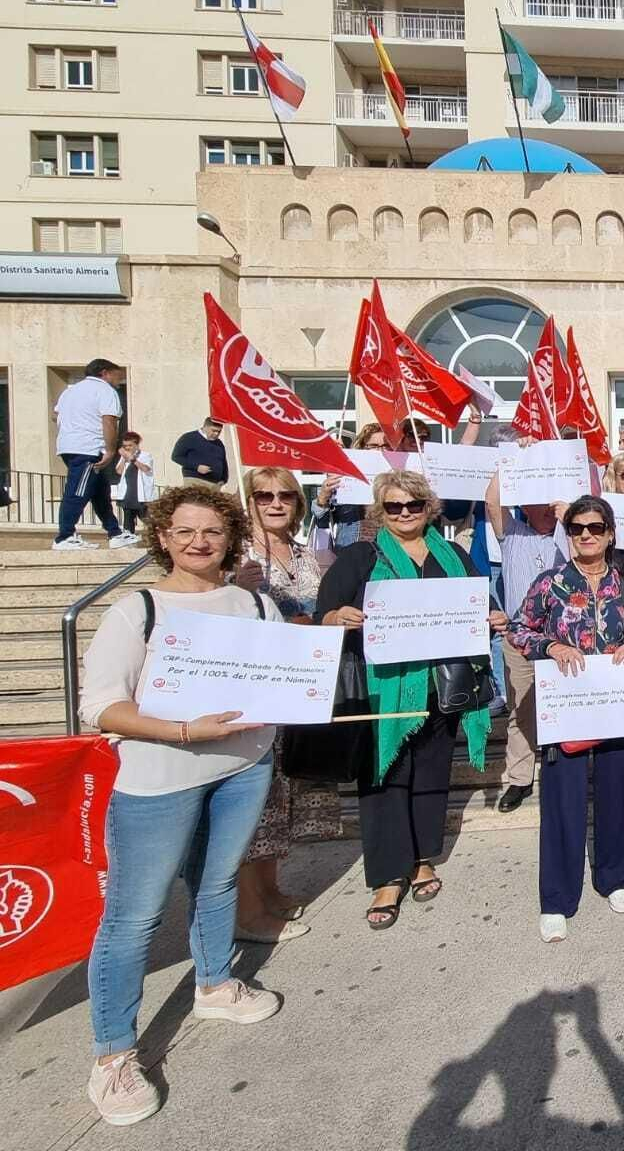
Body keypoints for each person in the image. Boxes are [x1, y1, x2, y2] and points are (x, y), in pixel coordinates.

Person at [79, 483, 283, 1126]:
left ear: (231, 539)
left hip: (243, 768)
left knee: (218, 883)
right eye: (186, 531)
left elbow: (284, 677)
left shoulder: (257, 604)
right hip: (159, 777)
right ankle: (114, 1054)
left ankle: (215, 983)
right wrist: (184, 731)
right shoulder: (135, 610)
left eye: (213, 531)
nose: (200, 542)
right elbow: (100, 707)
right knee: (134, 916)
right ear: (163, 537)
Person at [314, 470, 504, 930]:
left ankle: (422, 859)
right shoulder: (361, 557)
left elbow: (478, 604)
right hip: (386, 692)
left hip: (443, 687)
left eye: (413, 505)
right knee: (385, 778)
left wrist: (492, 617)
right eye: (393, 506)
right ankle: (386, 877)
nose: (404, 513)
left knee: (432, 774)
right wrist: (338, 617)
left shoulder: (454, 555)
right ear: (380, 511)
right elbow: (324, 612)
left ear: (428, 508)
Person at [509, 496, 624, 944]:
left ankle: (616, 877)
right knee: (562, 804)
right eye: (576, 528)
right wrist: (550, 646)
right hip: (566, 708)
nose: (585, 535)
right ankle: (557, 899)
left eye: (595, 527)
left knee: (617, 794)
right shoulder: (550, 584)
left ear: (610, 534)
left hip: (613, 706)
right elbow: (518, 629)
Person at [228, 467, 340, 942]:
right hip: (253, 693)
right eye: (263, 495)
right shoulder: (235, 556)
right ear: (248, 501)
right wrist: (236, 587)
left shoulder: (306, 553)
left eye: (286, 496)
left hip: (299, 690)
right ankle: (248, 913)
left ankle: (270, 891)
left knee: (280, 800)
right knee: (252, 804)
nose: (275, 503)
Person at [484, 470, 565, 814]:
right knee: (521, 711)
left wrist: (567, 516)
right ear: (524, 506)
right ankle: (519, 779)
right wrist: (512, 461)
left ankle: (563, 772)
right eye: (538, 500)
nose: (546, 507)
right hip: (520, 638)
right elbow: (492, 501)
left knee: (565, 708)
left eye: (550, 500)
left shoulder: (572, 533)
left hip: (563, 639)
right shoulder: (513, 534)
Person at [53, 357, 138, 551]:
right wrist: (110, 450)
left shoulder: (71, 391)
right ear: (104, 373)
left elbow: (55, 415)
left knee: (100, 491)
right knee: (77, 491)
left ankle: (115, 532)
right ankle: (64, 536)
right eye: (117, 375)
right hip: (88, 449)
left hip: (70, 446)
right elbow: (109, 421)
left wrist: (73, 427)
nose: (119, 380)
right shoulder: (105, 390)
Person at [313, 422, 390, 549]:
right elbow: (322, 523)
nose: (380, 450)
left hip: (388, 553)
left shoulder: (398, 478)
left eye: (386, 446)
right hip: (350, 551)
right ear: (362, 448)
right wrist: (323, 497)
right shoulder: (346, 478)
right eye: (373, 446)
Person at [112, 432, 155, 535]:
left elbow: (146, 469)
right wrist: (124, 458)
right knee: (128, 519)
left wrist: (133, 459)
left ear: (136, 444)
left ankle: (156, 536)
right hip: (128, 494)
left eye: (130, 445)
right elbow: (119, 471)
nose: (127, 448)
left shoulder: (145, 455)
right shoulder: (124, 457)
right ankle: (128, 536)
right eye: (125, 446)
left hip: (141, 495)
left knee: (146, 518)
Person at [171, 417, 230, 485]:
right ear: (205, 427)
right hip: (195, 481)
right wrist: (197, 467)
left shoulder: (219, 443)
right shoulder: (189, 438)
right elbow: (176, 457)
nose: (216, 434)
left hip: (215, 484)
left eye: (219, 431)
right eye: (214, 430)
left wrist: (224, 479)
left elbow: (223, 462)